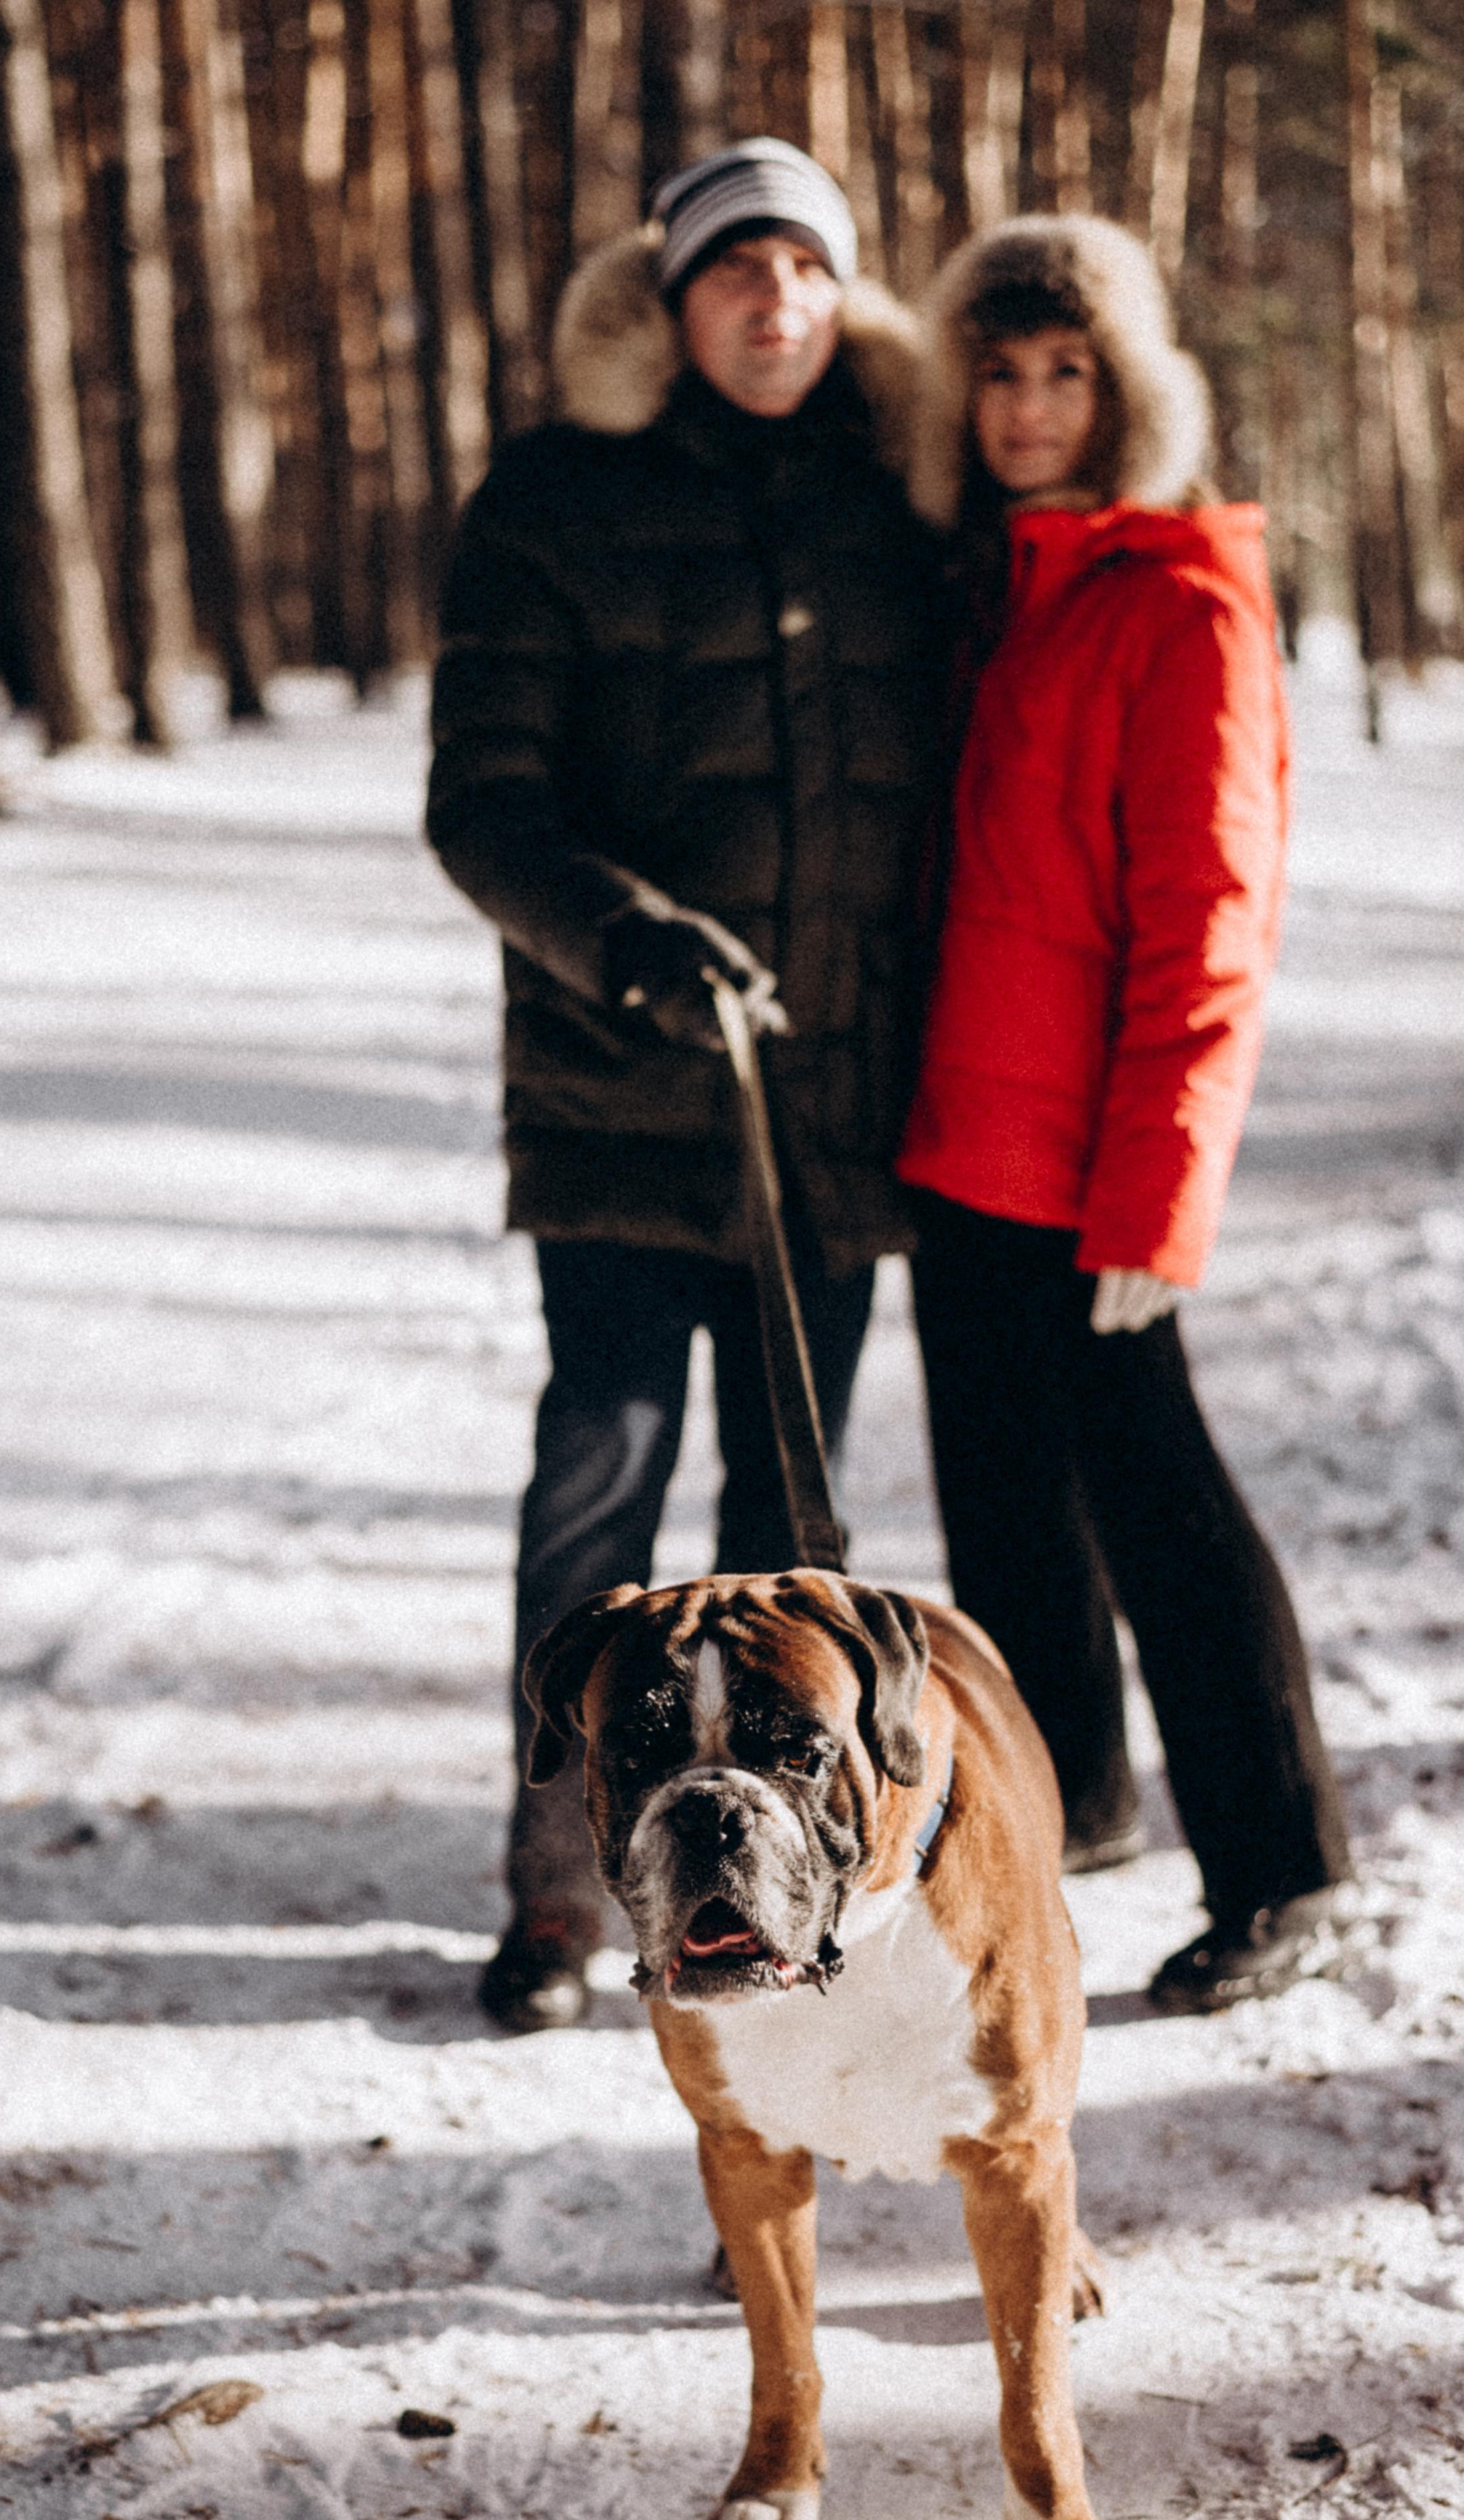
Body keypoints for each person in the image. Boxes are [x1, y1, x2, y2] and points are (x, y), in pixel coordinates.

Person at [428, 141, 943, 2031]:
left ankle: (794, 1880)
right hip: (621, 1093)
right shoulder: (557, 501)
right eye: (739, 271)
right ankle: (562, 1885)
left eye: (808, 271)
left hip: (833, 1102)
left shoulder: (901, 497)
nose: (774, 305)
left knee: (792, 1513)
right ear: (675, 298)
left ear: (846, 295)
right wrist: (628, 939)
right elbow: (480, 803)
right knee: (605, 1479)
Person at [896, 214, 1355, 2011]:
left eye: (1062, 373)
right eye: (997, 375)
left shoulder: (1176, 605)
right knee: (1000, 1507)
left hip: (1092, 1156)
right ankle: (1065, 1809)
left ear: (1125, 388)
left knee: (1156, 1497)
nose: (1026, 409)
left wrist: (1159, 1197)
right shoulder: (993, 590)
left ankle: (1283, 1859)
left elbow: (1207, 925)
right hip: (958, 1141)